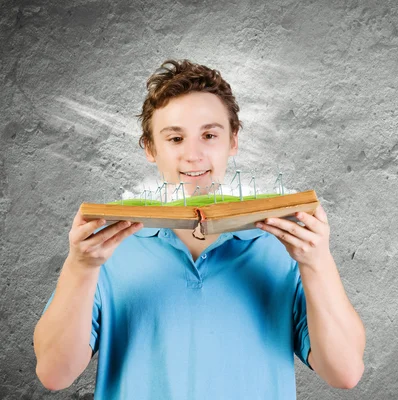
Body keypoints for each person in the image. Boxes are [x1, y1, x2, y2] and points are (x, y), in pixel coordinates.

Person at [33, 59, 365, 399]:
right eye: (175, 138)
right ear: (150, 148)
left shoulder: (286, 246)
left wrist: (316, 262)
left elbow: (345, 372)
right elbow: (54, 374)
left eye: (209, 135)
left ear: (233, 141)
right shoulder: (105, 249)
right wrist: (80, 267)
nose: (193, 155)